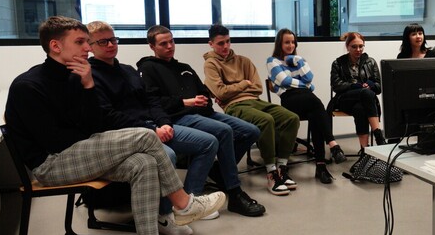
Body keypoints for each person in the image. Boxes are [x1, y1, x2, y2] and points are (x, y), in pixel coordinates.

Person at [4, 16, 225, 235]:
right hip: (51, 164)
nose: (87, 48)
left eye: (87, 42)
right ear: (55, 46)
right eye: (80, 42)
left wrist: (88, 86)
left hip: (80, 152)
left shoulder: (76, 77)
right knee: (145, 136)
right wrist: (110, 145)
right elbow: (55, 142)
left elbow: (93, 123)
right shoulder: (28, 86)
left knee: (144, 163)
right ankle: (184, 204)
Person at [87, 20, 224, 235]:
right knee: (167, 155)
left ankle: (189, 202)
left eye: (113, 39)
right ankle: (164, 215)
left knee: (208, 142)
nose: (111, 45)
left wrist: (163, 123)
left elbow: (151, 101)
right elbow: (109, 116)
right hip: (127, 134)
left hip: (153, 126)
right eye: (103, 42)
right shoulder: (90, 76)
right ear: (90, 46)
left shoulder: (127, 70)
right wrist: (151, 128)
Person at [136, 25, 266, 217]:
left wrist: (202, 101)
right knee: (224, 131)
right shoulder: (148, 69)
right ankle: (233, 192)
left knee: (251, 131)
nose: (170, 46)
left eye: (171, 41)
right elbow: (153, 103)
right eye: (163, 44)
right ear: (152, 46)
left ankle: (219, 171)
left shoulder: (185, 68)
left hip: (203, 114)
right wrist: (185, 102)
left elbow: (205, 92)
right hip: (179, 117)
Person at [202, 24, 301, 196]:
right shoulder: (210, 64)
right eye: (220, 43)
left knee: (291, 118)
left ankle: (282, 169)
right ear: (211, 44)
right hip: (235, 106)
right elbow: (220, 92)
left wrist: (231, 89)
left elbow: (257, 88)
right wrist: (243, 84)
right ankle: (271, 173)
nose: (225, 46)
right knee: (266, 120)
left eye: (228, 41)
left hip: (256, 101)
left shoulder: (244, 61)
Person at [266, 29, 347, 184]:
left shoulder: (299, 60)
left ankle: (321, 166)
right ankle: (332, 146)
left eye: (293, 42)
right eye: (287, 42)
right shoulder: (272, 61)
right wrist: (304, 85)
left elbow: (309, 78)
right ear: (279, 44)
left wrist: (298, 60)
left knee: (316, 115)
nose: (291, 45)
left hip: (307, 100)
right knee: (317, 104)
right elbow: (285, 82)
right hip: (289, 100)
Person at [328, 32, 385, 150]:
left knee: (360, 109)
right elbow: (336, 86)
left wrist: (370, 85)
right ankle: (378, 135)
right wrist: (355, 86)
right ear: (347, 47)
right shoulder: (338, 63)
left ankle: (365, 151)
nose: (358, 50)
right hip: (344, 100)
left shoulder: (370, 62)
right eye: (354, 47)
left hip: (364, 102)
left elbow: (378, 87)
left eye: (361, 46)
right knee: (366, 93)